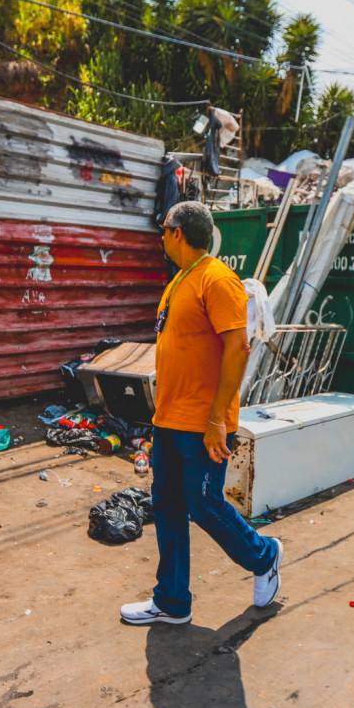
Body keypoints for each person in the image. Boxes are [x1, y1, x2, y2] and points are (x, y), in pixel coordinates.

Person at [120, 201, 282, 625]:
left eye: (162, 229)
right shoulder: (179, 281)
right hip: (169, 419)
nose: (159, 236)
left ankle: (264, 556)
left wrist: (217, 421)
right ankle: (172, 602)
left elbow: (238, 347)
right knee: (168, 507)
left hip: (202, 423)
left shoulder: (217, 279)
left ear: (177, 232)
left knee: (204, 505)